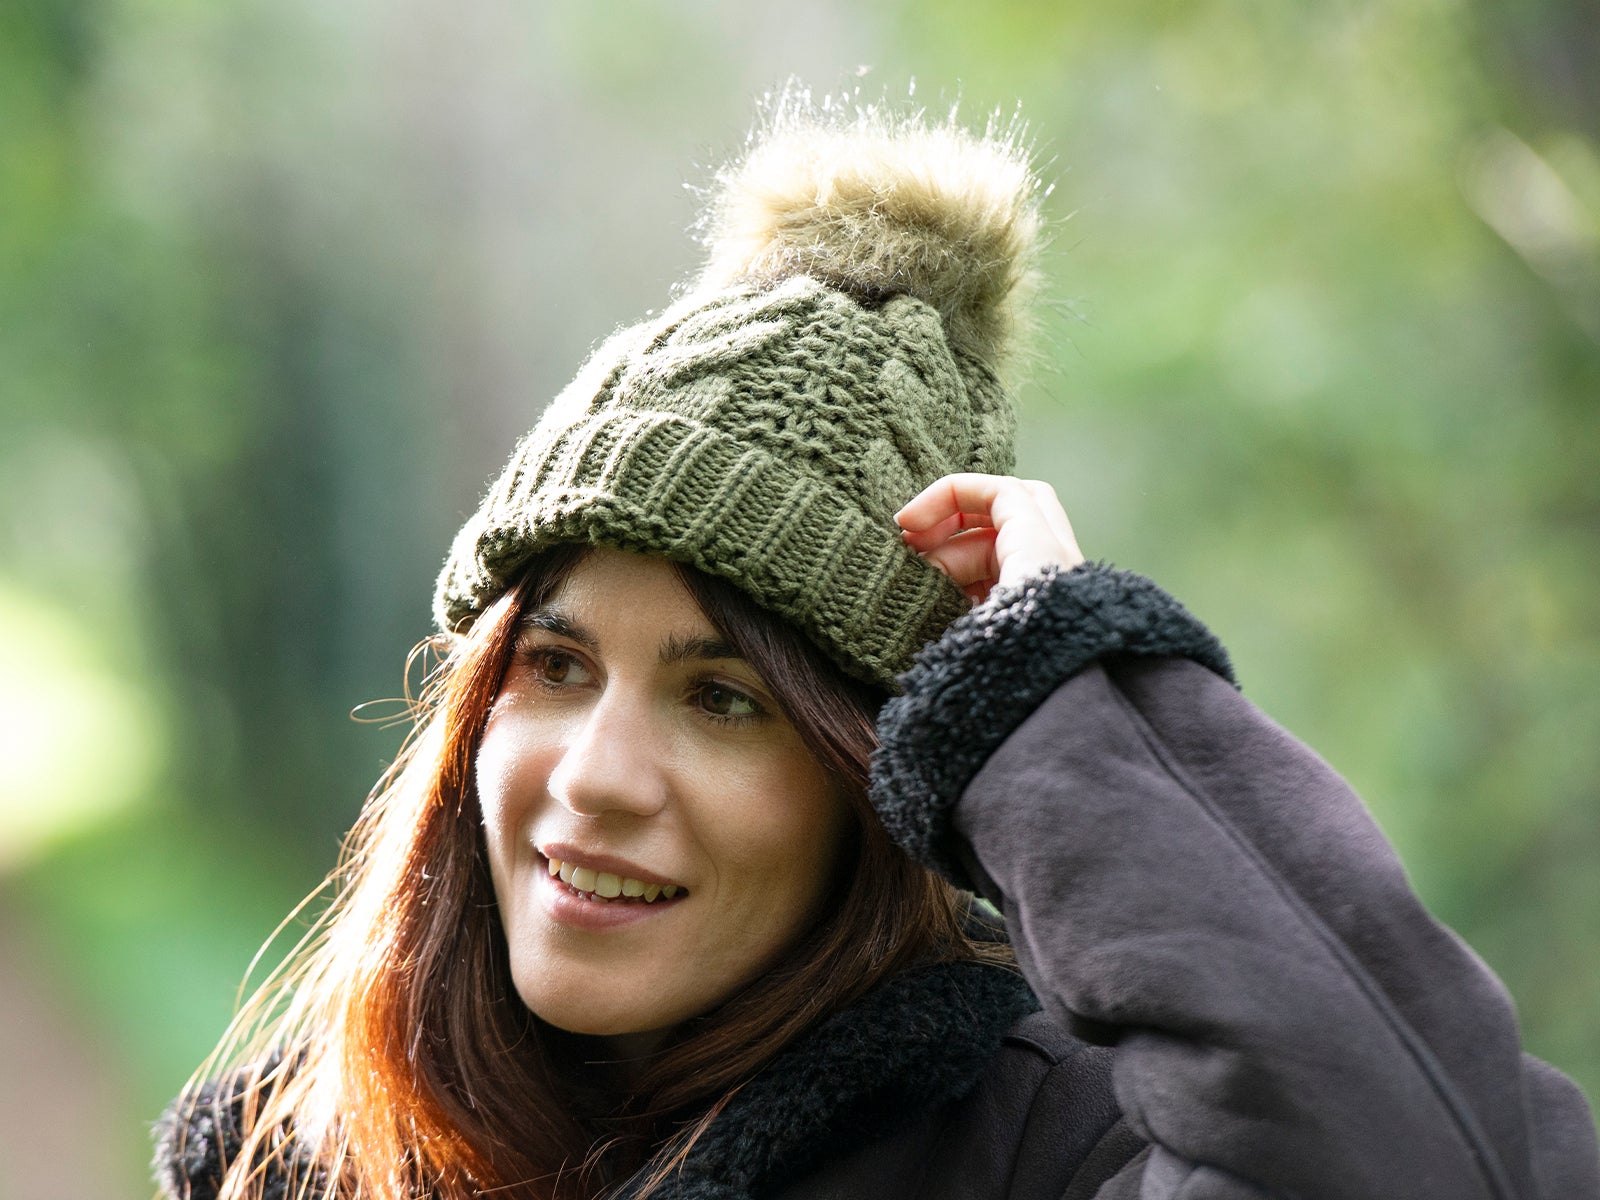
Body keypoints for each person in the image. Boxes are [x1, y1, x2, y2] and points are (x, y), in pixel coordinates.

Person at [155, 91, 1600, 1200]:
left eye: (725, 698)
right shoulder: (301, 1149)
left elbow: (1417, 1157)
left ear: (880, 771)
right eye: (558, 665)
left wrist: (1060, 694)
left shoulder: (1047, 1151)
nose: (595, 778)